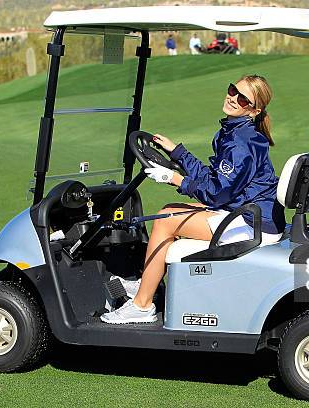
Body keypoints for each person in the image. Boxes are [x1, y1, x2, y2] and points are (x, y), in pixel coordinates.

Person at [101, 75, 286, 324]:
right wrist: (178, 153)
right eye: (233, 90)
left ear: (254, 110)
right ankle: (148, 284)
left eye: (243, 99)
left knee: (165, 220)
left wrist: (175, 179)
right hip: (247, 213)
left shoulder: (241, 143)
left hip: (253, 223)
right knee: (171, 210)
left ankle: (142, 305)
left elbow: (216, 193)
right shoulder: (235, 133)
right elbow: (214, 180)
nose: (233, 98)